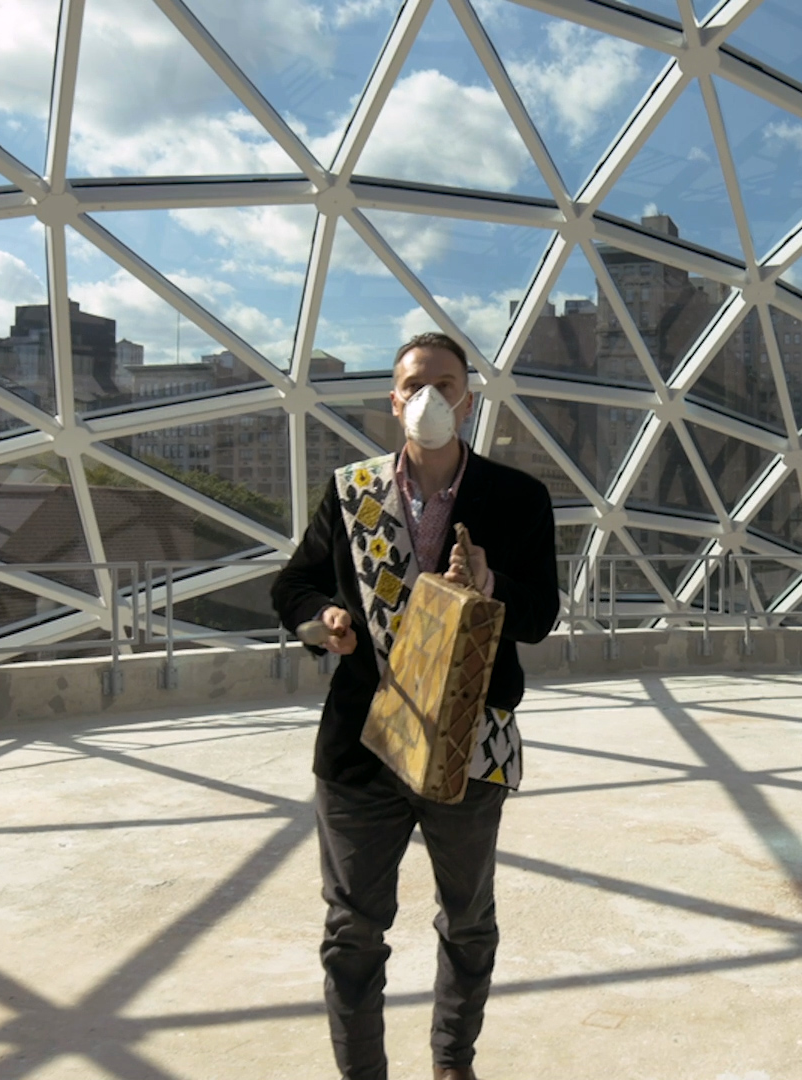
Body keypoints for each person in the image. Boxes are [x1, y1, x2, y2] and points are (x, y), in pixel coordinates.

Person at [272, 332, 558, 1080]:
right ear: (394, 399)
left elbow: (541, 616)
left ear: (468, 397)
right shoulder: (350, 492)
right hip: (362, 747)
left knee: (468, 923)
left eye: (446, 382)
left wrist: (492, 584)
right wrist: (323, 619)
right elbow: (292, 586)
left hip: (470, 740)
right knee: (352, 932)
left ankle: (451, 1063)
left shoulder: (517, 499)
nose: (429, 395)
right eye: (414, 383)